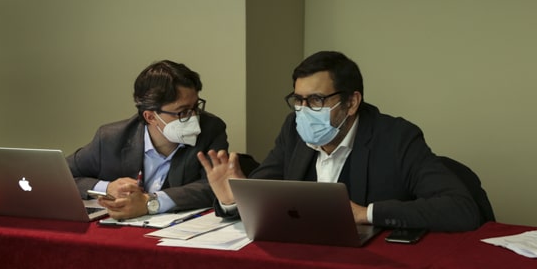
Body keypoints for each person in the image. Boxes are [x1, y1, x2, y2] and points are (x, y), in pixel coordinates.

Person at [198, 51, 481, 232]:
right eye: (299, 100)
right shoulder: (293, 131)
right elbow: (265, 191)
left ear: (352, 102)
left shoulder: (397, 137)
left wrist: (366, 214)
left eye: (316, 100)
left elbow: (460, 208)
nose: (304, 110)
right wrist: (234, 199)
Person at [67, 59, 228, 220]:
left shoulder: (211, 129)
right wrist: (107, 188)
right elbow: (62, 176)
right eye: (183, 111)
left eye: (195, 107)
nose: (194, 118)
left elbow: (216, 185)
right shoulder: (111, 138)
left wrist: (150, 202)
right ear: (151, 117)